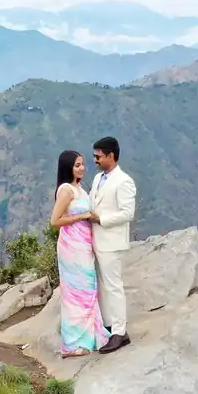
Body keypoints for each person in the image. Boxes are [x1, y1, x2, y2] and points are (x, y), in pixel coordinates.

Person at [50, 150, 107, 357]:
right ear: (68, 167)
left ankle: (89, 336)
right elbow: (55, 221)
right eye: (77, 165)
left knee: (87, 289)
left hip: (84, 244)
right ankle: (71, 344)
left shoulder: (79, 188)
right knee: (76, 293)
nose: (82, 168)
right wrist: (82, 215)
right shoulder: (66, 190)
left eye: (82, 164)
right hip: (71, 246)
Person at [88, 136, 136, 353]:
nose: (95, 160)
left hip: (111, 242)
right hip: (96, 240)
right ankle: (108, 325)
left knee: (113, 286)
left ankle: (120, 332)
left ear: (111, 156)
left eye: (98, 156)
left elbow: (127, 213)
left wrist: (101, 219)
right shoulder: (98, 179)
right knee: (102, 285)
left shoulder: (124, 181)